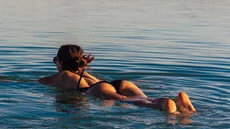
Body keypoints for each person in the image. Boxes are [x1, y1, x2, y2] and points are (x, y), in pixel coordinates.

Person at [38, 44, 196, 114]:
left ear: (60, 62)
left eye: (55, 61)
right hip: (118, 83)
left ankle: (164, 105)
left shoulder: (63, 75)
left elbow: (37, 82)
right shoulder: (85, 73)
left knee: (129, 101)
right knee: (144, 98)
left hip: (97, 89)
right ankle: (178, 106)